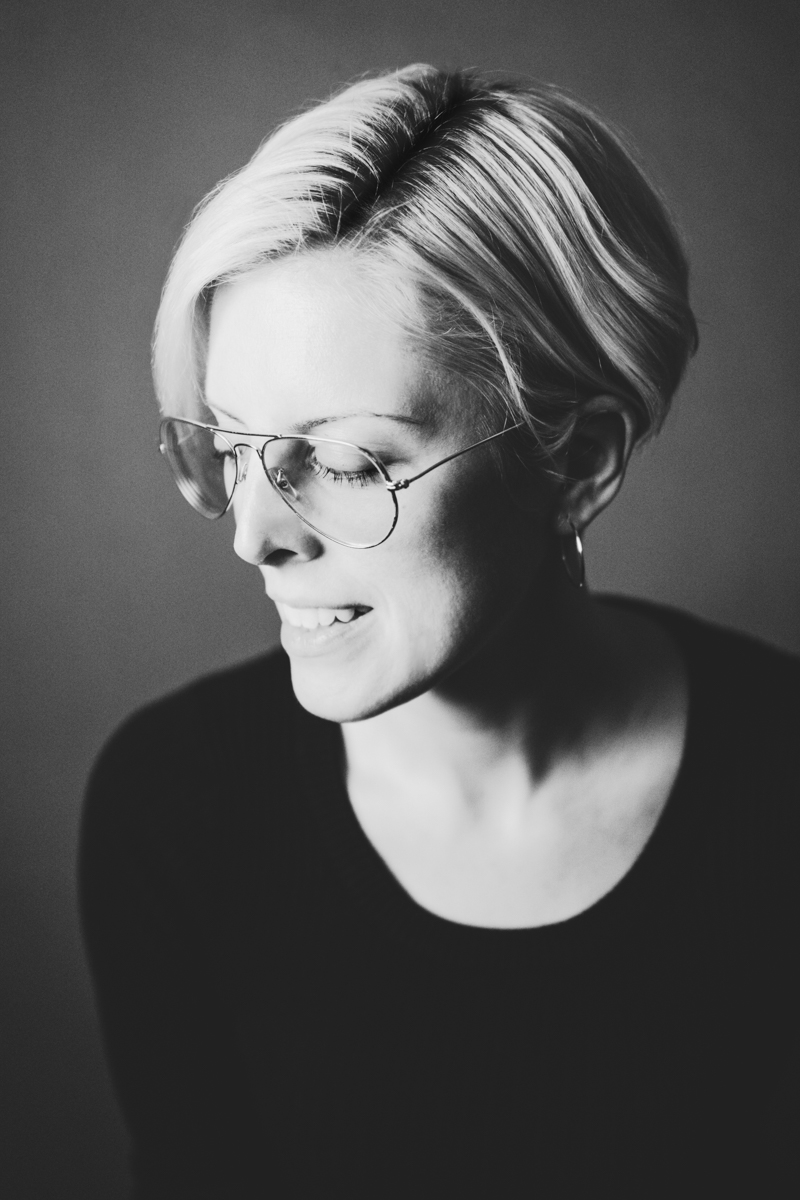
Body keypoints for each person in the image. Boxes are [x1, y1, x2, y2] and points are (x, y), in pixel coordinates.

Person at [80, 65, 797, 1197]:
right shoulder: (172, 807)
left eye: (348, 461)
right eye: (231, 446)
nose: (255, 535)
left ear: (577, 462)